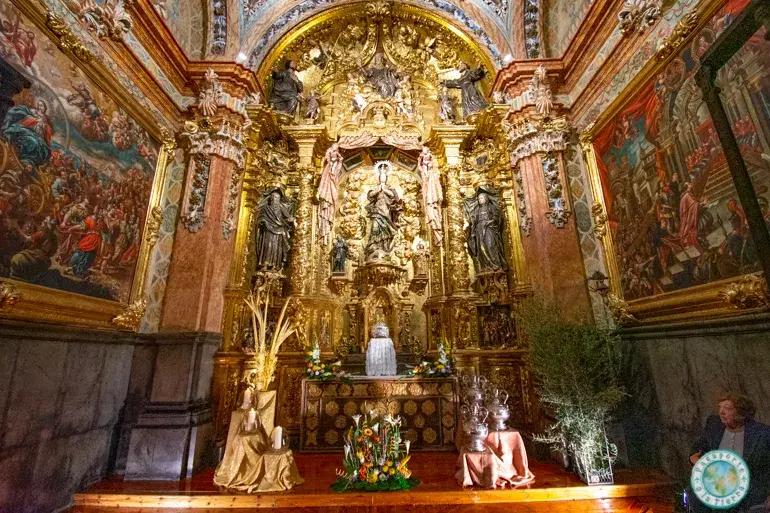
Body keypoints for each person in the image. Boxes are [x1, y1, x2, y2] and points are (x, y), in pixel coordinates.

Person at [690, 393, 770, 512]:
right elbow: (698, 448)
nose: (721, 412)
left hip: (749, 492)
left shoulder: (761, 434)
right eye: (720, 407)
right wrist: (696, 460)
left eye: (727, 408)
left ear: (741, 413)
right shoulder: (714, 425)